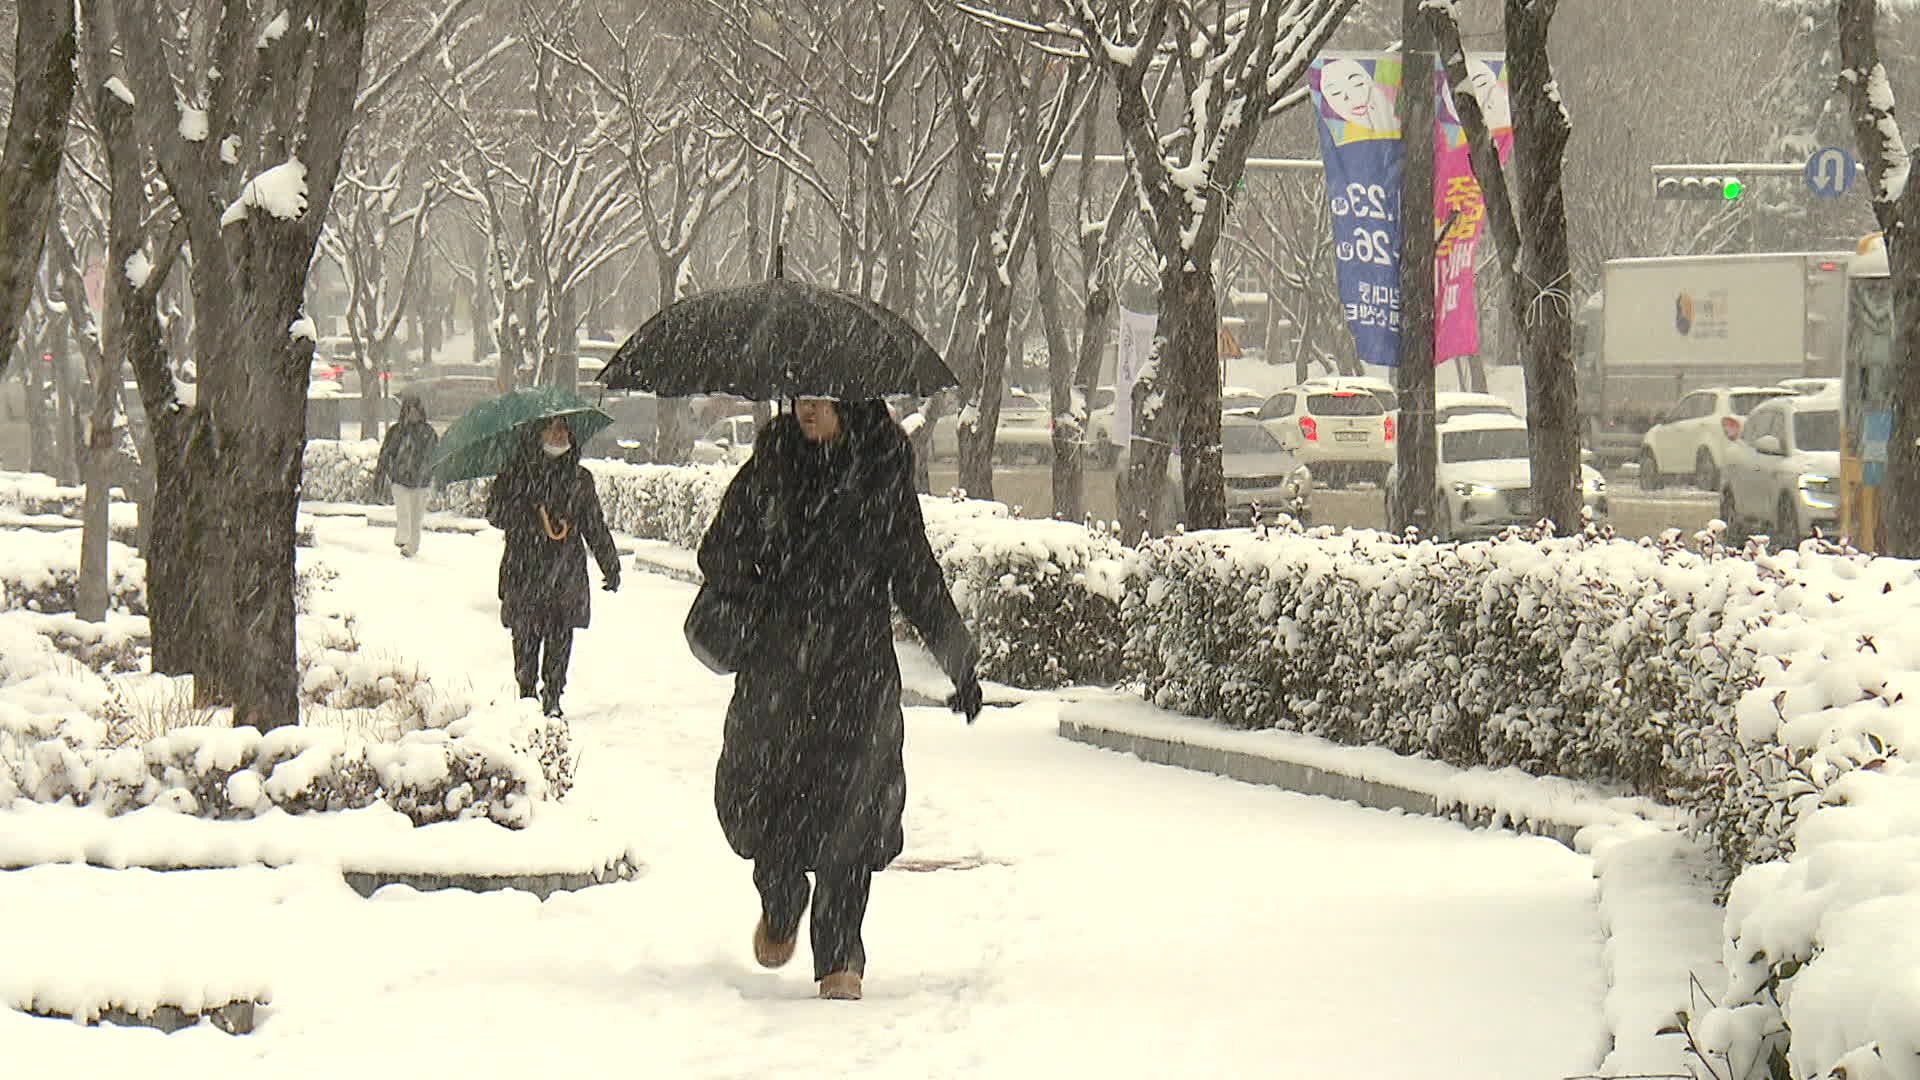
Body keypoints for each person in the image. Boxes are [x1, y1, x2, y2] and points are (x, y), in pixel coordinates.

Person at [697, 396, 982, 1002]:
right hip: (779, 673)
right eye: (803, 397)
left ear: (851, 405)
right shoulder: (770, 468)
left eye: (825, 400)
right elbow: (718, 553)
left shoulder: (880, 472)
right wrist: (763, 557)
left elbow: (915, 573)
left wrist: (958, 658)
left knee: (851, 814)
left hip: (855, 676)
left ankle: (839, 956)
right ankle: (781, 896)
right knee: (763, 796)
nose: (810, 410)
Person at [485, 416, 621, 717]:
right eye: (552, 429)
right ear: (538, 434)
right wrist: (525, 508)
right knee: (525, 634)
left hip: (565, 571)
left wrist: (610, 564)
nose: (559, 435)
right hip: (525, 568)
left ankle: (554, 694)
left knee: (560, 635)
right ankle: (526, 692)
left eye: (564, 430)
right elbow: (494, 514)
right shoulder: (516, 474)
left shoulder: (579, 478)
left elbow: (593, 524)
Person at [372, 394, 439, 557]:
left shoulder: (428, 433)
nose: (413, 415)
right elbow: (386, 453)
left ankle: (412, 547)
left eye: (416, 411)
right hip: (400, 479)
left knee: (416, 518)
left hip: (421, 481)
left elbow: (435, 456)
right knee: (404, 511)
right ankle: (402, 537)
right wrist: (383, 473)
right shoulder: (396, 431)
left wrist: (431, 474)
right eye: (410, 411)